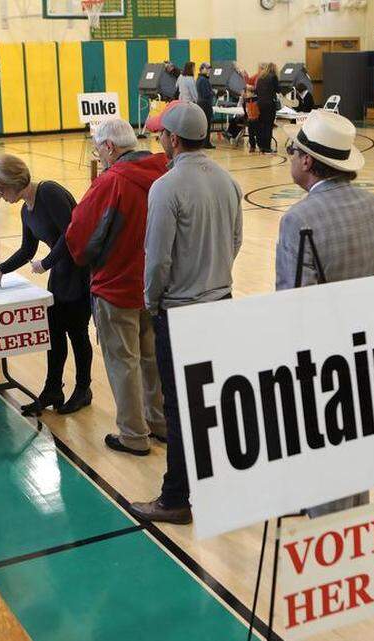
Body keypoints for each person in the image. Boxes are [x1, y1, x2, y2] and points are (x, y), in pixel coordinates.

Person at [276, 111, 374, 516]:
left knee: (324, 469)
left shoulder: (299, 219)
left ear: (308, 162)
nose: (290, 158)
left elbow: (295, 306)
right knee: (352, 463)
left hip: (320, 365)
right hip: (366, 359)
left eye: (292, 151)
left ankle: (329, 550)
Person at [130, 102, 243, 525]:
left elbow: (157, 259)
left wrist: (152, 301)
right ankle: (224, 488)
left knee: (180, 409)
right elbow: (235, 241)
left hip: (180, 310)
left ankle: (176, 497)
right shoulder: (228, 181)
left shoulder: (166, 187)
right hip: (220, 303)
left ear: (172, 139)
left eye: (161, 135)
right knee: (215, 402)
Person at [65, 118, 169, 455]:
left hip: (116, 286)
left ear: (109, 147)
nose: (98, 153)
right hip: (155, 285)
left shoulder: (111, 182)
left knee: (123, 362)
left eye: (98, 147)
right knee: (152, 359)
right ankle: (160, 423)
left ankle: (133, 435)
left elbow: (79, 240)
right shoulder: (164, 172)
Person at [0, 154, 93, 416]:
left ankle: (83, 389)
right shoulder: (26, 209)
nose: (0, 197)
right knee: (54, 335)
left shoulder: (49, 192)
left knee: (77, 334)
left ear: (12, 183)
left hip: (78, 273)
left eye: (0, 190)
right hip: (60, 275)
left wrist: (46, 263)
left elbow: (72, 233)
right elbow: (26, 249)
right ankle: (52, 389)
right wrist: (1, 269)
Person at [253, 62, 280, 153]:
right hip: (269, 104)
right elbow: (278, 90)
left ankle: (261, 146)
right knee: (268, 126)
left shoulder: (260, 77)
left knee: (261, 125)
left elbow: (256, 91)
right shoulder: (273, 77)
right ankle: (267, 147)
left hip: (260, 104)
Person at [195, 62, 216, 149]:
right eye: (207, 69)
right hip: (205, 104)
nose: (209, 71)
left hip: (201, 103)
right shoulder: (203, 80)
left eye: (209, 69)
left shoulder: (200, 79)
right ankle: (206, 143)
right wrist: (214, 92)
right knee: (207, 124)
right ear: (202, 69)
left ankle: (204, 142)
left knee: (204, 124)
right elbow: (206, 93)